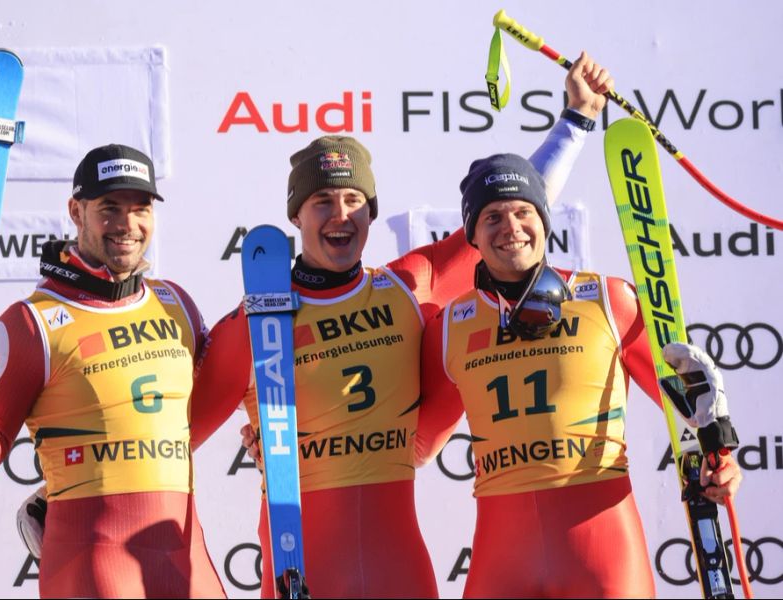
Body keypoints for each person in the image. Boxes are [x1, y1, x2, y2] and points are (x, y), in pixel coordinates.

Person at [190, 53, 615, 598]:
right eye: (322, 202)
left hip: (400, 564)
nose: (340, 215)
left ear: (371, 212)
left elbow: (511, 211)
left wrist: (577, 120)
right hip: (303, 563)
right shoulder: (253, 325)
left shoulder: (409, 288)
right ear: (296, 216)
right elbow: (166, 447)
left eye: (353, 201)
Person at [416, 152, 743, 598]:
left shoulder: (608, 300)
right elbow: (417, 445)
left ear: (544, 220)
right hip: (502, 558)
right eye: (491, 216)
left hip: (602, 548)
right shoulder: (450, 326)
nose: (510, 227)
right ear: (471, 234)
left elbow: (686, 403)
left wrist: (720, 461)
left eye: (523, 211)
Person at [0, 144, 226, 599]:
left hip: (188, 556)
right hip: (96, 561)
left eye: (140, 209)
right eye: (109, 209)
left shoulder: (175, 301)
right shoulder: (31, 322)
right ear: (76, 211)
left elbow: (208, 399)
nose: (128, 225)